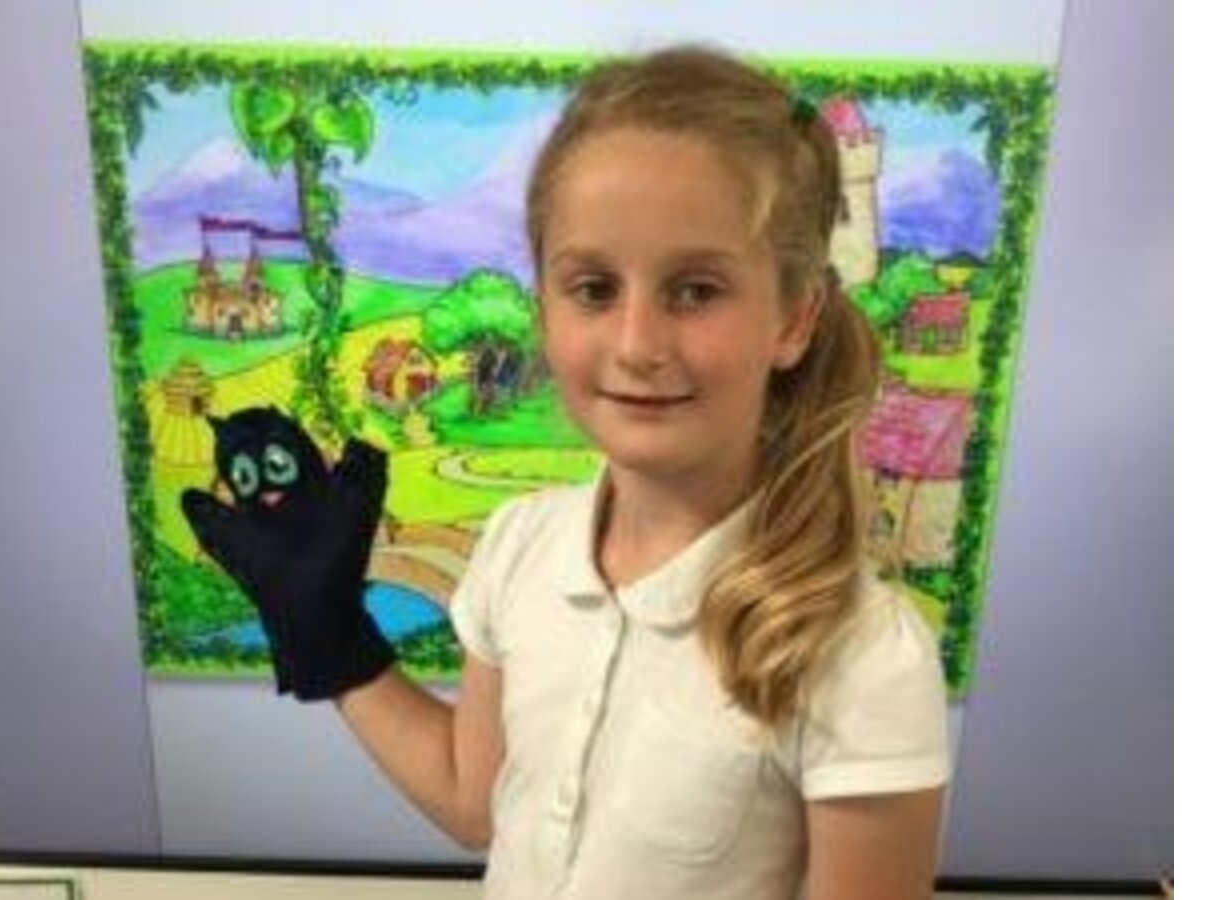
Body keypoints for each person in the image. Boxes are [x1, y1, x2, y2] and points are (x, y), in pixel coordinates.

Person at [183, 43, 949, 900]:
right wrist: (328, 632)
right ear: (543, 305)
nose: (637, 344)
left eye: (696, 290)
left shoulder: (863, 655)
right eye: (593, 288)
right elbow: (476, 803)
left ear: (795, 317)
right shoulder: (520, 542)